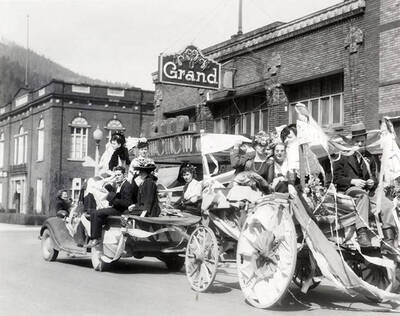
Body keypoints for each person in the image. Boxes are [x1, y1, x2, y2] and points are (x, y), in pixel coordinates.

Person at [333, 122, 396, 248]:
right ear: (352, 141)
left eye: (362, 141)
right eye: (357, 142)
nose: (360, 144)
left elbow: (375, 176)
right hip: (351, 190)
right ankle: (362, 233)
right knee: (362, 196)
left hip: (368, 190)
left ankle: (389, 240)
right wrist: (352, 181)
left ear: (366, 140)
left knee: (386, 203)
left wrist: (372, 181)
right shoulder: (343, 156)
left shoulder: (370, 156)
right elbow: (336, 178)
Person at [87, 166, 134, 248]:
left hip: (121, 210)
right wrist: (109, 182)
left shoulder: (127, 186)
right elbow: (98, 185)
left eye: (119, 175)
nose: (117, 177)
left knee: (98, 213)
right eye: (115, 175)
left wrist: (112, 199)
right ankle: (93, 238)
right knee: (93, 212)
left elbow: (127, 203)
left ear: (124, 175)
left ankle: (96, 238)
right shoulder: (118, 184)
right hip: (116, 208)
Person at [84, 132, 130, 210]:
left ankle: (102, 205)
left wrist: (108, 176)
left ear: (119, 145)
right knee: (90, 181)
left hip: (115, 178)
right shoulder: (114, 153)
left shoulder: (120, 155)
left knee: (95, 185)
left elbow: (118, 171)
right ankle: (90, 205)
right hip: (111, 175)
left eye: (114, 144)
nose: (112, 145)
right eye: (112, 143)